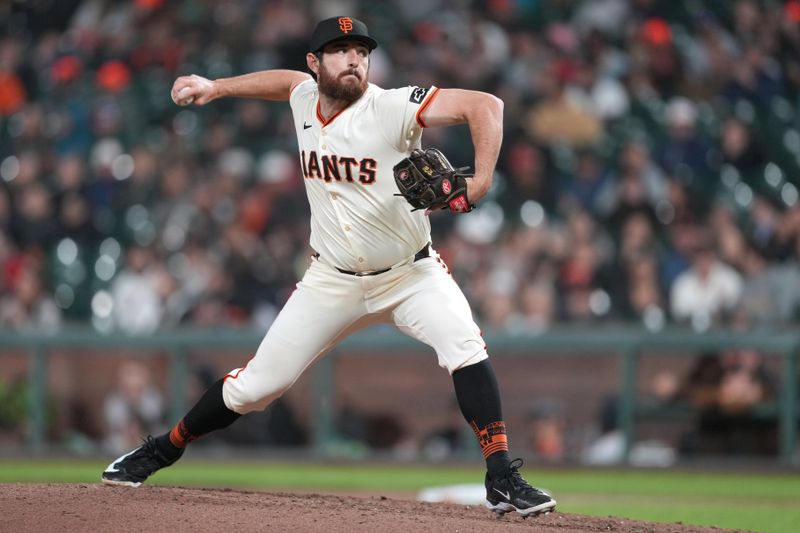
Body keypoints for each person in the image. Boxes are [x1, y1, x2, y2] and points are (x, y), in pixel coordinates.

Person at [101, 16, 556, 517]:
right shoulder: (304, 99)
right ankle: (164, 448)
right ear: (315, 63)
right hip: (331, 280)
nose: (354, 59)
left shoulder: (391, 106)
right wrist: (216, 87)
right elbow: (284, 83)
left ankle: (501, 476)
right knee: (255, 388)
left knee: (465, 346)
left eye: (361, 50)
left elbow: (485, 105)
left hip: (411, 274)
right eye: (340, 50)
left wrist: (483, 181)